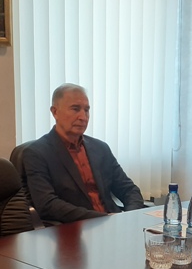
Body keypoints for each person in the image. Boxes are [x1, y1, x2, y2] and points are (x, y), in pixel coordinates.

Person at [21, 83, 146, 224]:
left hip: (113, 224)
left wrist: (130, 216)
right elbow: (47, 204)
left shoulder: (100, 148)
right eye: (75, 109)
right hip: (74, 229)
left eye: (86, 110)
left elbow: (129, 189)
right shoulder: (37, 153)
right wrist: (103, 219)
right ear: (55, 112)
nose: (83, 117)